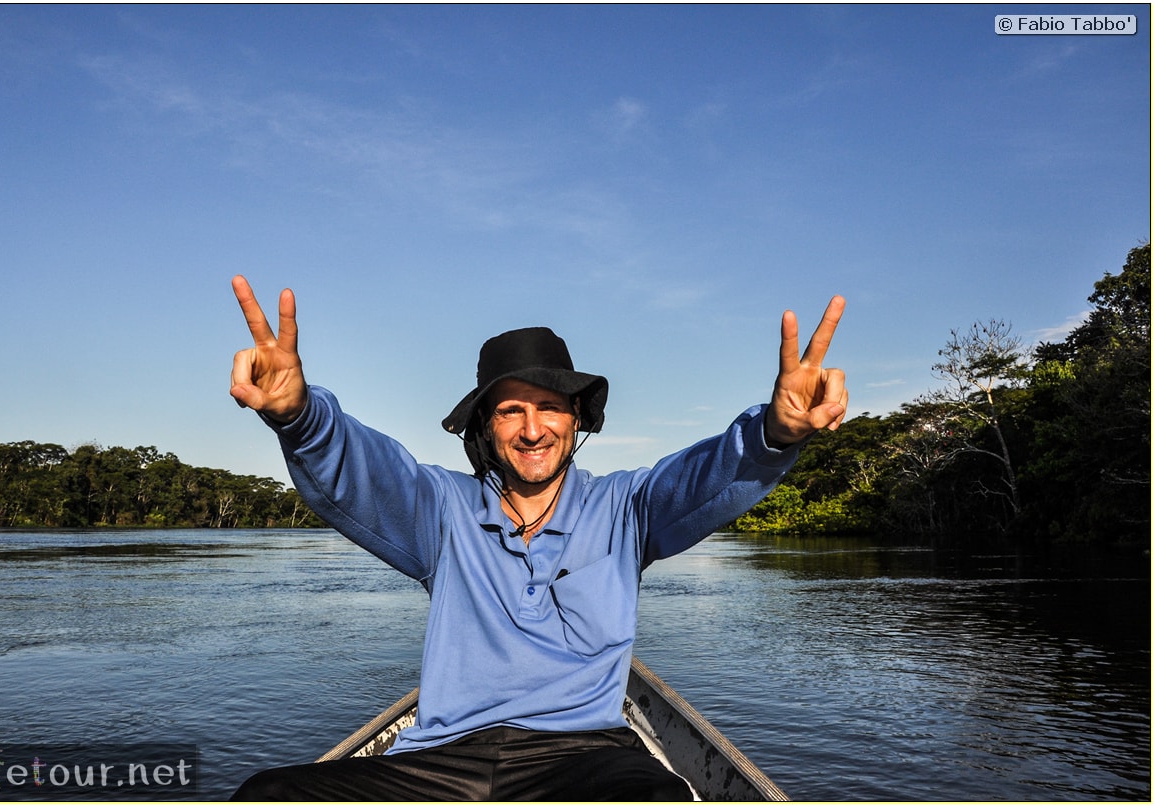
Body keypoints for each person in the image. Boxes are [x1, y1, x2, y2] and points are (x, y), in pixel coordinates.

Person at [227, 274, 847, 801]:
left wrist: (774, 433)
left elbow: (701, 480)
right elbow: (368, 471)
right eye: (509, 410)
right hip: (446, 758)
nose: (532, 430)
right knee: (264, 795)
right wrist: (299, 414)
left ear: (577, 417)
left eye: (549, 406)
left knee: (652, 795)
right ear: (485, 427)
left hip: (585, 755)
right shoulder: (443, 510)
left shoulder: (626, 507)